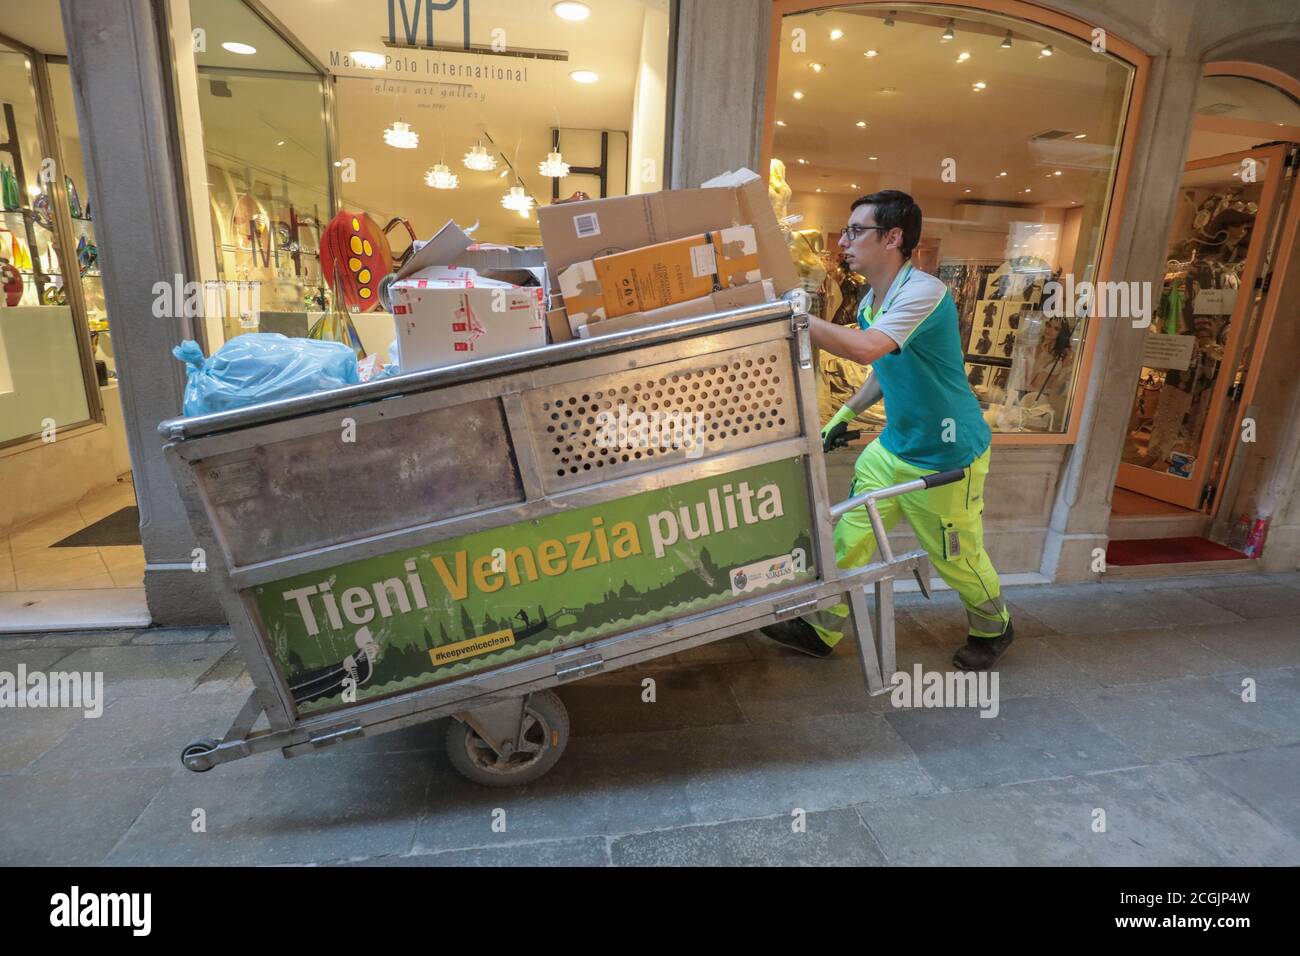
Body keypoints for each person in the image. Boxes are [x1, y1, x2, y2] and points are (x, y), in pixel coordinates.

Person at [760, 190, 1013, 671]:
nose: (843, 241)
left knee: (955, 556)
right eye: (845, 230)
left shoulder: (924, 292)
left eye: (856, 231)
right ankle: (820, 626)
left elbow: (867, 350)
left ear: (893, 238)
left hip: (947, 455)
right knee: (845, 538)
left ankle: (993, 625)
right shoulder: (871, 301)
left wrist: (794, 316)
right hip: (893, 446)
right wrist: (845, 415)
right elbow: (885, 368)